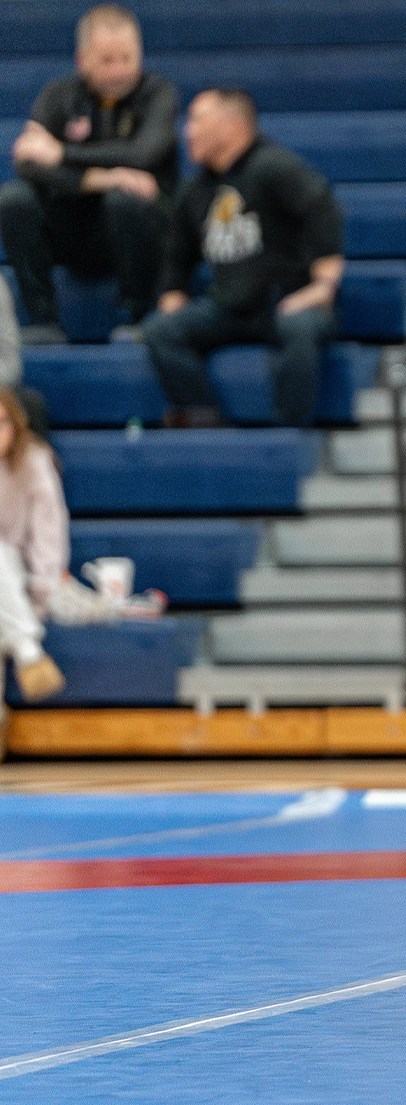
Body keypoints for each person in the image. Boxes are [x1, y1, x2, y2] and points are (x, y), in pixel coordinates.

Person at [144, 89, 343, 428]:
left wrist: (323, 285)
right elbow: (177, 256)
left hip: (283, 302)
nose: (186, 131)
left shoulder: (272, 166)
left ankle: (289, 433)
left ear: (232, 127)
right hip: (228, 308)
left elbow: (322, 208)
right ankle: (204, 417)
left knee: (299, 330)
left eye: (197, 120)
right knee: (161, 331)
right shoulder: (195, 192)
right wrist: (172, 296)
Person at [0, 4, 178, 344]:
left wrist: (63, 153)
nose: (120, 71)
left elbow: (142, 153)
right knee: (13, 199)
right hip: (74, 228)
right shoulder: (60, 94)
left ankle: (138, 315)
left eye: (128, 58)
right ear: (83, 60)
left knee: (124, 198)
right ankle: (44, 321)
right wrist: (100, 178)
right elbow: (27, 161)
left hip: (140, 231)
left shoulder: (158, 94)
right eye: (108, 61)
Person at [0, 389, 69, 703]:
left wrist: (41, 593)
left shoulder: (35, 460)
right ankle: (28, 649)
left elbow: (49, 534)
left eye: (2, 422)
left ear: (15, 424)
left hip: (20, 580)